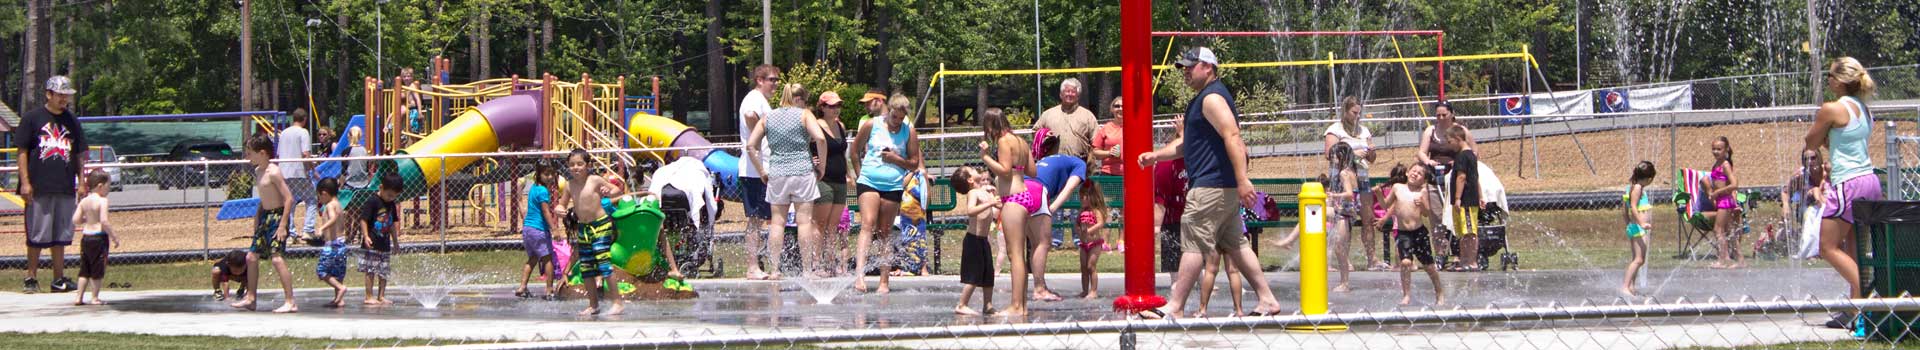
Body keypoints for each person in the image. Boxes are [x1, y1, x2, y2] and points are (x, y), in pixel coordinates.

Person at [1136, 47, 1284, 319]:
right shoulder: (1203, 100)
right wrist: (1156, 156)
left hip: (1210, 187)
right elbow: (1187, 145)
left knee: (1192, 242)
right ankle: (1267, 299)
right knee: (1237, 245)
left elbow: (1233, 136)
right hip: (1221, 188)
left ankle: (1175, 306)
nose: (1185, 72)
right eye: (1183, 68)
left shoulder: (1212, 98)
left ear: (1208, 67)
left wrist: (1243, 179)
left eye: (1190, 67)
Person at [1806, 57, 1880, 329]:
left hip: (1847, 183)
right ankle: (1854, 312)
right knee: (1853, 249)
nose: (1827, 81)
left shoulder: (1831, 108)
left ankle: (1871, 299)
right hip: (1869, 180)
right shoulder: (1863, 108)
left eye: (1829, 76)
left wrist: (1821, 138)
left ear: (1839, 81)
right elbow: (1842, 140)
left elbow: (1811, 142)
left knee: (1826, 247)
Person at [745, 83, 830, 279]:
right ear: (798, 98)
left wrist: (761, 171)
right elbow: (821, 138)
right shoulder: (804, 114)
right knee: (804, 222)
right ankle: (807, 270)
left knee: (777, 223)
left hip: (777, 173)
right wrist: (822, 166)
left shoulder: (768, 117)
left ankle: (775, 270)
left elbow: (751, 145)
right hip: (802, 172)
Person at [17, 75, 87, 294]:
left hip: (64, 185)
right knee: (37, 234)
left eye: (66, 95)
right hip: (39, 185)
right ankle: (31, 277)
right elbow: (22, 151)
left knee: (61, 234)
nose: (64, 99)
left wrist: (82, 182)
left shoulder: (71, 121)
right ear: (49, 94)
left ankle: (58, 279)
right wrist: (25, 182)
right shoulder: (32, 118)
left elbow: (79, 153)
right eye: (60, 95)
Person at [850, 93, 921, 293]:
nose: (897, 122)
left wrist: (896, 159)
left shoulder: (909, 131)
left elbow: (914, 162)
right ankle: (859, 277)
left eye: (901, 118)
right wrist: (859, 174)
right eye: (894, 117)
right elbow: (854, 151)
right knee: (867, 224)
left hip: (892, 185)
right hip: (869, 181)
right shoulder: (871, 125)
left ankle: (884, 281)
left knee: (885, 232)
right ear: (888, 111)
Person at [980, 107, 1041, 316]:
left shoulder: (1005, 142)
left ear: (990, 125)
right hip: (1025, 197)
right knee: (1020, 255)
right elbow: (1033, 171)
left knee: (1015, 255)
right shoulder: (1021, 141)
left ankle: (1015, 306)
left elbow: (1005, 171)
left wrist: (986, 157)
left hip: (1013, 199)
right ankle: (1022, 306)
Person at [232, 133, 298, 313]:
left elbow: (289, 199)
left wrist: (283, 225)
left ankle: (290, 301)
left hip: (277, 217)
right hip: (265, 217)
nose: (248, 157)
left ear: (262, 153)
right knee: (251, 257)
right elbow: (263, 200)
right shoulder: (258, 171)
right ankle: (251, 298)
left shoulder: (273, 171)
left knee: (276, 259)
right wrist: (257, 220)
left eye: (250, 153)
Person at [561, 149, 625, 315]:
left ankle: (617, 302)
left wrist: (608, 192)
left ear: (588, 165)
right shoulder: (569, 185)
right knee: (586, 267)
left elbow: (617, 191)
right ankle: (593, 304)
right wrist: (559, 209)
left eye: (580, 164)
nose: (576, 167)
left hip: (601, 225)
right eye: (572, 164)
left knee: (603, 263)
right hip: (584, 228)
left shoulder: (595, 180)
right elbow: (561, 204)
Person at [1037, 78, 1098, 249]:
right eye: (1066, 91)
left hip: (1078, 165)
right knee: (1054, 200)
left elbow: (1096, 140)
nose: (1069, 94)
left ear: (1078, 94)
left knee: (1078, 203)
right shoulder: (1049, 114)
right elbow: (1036, 133)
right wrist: (1044, 137)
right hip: (1053, 167)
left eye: (1073, 91)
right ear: (1061, 94)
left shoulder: (1087, 116)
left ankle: (1078, 236)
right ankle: (1055, 238)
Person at [1327, 96, 1384, 271]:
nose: (1357, 116)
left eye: (1359, 113)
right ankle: (1345, 261)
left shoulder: (1364, 131)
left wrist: (1370, 152)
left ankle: (1371, 258)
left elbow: (1372, 159)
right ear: (1345, 111)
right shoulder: (1335, 130)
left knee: (1368, 219)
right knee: (1345, 220)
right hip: (1343, 178)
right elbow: (1330, 155)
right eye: (1354, 112)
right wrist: (1352, 154)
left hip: (1362, 178)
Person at [1031, 134, 1088, 301]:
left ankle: (1033, 288)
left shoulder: (1046, 160)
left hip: (1020, 189)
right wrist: (1053, 207)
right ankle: (1040, 289)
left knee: (1033, 244)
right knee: (1043, 243)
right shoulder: (1079, 163)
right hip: (1036, 191)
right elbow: (1069, 188)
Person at [737, 65, 781, 280]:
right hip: (755, 170)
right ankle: (752, 267)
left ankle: (768, 265)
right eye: (772, 80)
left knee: (769, 218)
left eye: (777, 80)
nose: (776, 84)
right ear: (759, 80)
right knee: (755, 219)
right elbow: (749, 115)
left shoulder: (762, 100)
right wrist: (762, 133)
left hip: (764, 168)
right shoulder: (753, 98)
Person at [1380, 164, 1446, 306]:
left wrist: (1422, 204)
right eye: (1414, 171)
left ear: (1424, 180)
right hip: (1403, 233)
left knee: (1429, 267)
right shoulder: (1397, 187)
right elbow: (1385, 205)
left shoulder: (1422, 192)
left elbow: (1427, 213)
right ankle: (1406, 295)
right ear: (1408, 172)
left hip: (1419, 232)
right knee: (1405, 262)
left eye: (1420, 173)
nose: (1415, 174)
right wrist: (1379, 194)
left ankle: (1439, 292)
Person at [811, 91, 853, 276]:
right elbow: (806, 147)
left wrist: (849, 173)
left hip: (840, 180)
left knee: (833, 225)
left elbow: (843, 153)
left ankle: (830, 262)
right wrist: (813, 161)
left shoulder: (840, 126)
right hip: (823, 179)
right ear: (822, 107)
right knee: (820, 223)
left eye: (838, 105)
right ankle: (815, 263)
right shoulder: (815, 126)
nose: (836, 109)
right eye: (831, 106)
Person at [949, 167, 1000, 316]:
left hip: (983, 240)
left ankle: (988, 305)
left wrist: (995, 198)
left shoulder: (985, 192)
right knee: (974, 275)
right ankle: (962, 304)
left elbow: (997, 209)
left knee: (988, 274)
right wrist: (990, 203)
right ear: (970, 180)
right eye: (971, 170)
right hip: (973, 240)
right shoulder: (973, 193)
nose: (975, 168)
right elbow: (970, 211)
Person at [71, 171, 116, 306]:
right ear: (100, 186)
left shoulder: (84, 201)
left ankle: (79, 297)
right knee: (97, 269)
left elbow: (75, 220)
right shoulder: (103, 201)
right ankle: (95, 297)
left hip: (86, 237)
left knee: (85, 268)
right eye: (109, 185)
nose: (109, 189)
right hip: (99, 238)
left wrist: (88, 219)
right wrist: (114, 236)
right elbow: (104, 221)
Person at [515, 164, 560, 299]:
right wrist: (554, 228)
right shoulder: (542, 191)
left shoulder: (533, 188)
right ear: (538, 174)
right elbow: (545, 211)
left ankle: (522, 286)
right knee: (548, 259)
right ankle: (549, 289)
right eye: (546, 174)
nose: (550, 177)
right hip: (539, 229)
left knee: (533, 258)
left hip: (527, 229)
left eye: (552, 174)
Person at [359, 173, 403, 306]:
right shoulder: (372, 201)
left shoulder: (391, 204)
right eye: (389, 195)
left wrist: (395, 242)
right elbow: (363, 219)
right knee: (370, 270)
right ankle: (368, 296)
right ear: (381, 187)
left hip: (384, 243)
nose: (391, 198)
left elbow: (391, 225)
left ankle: (381, 296)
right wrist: (366, 236)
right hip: (371, 242)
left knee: (384, 271)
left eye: (394, 196)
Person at [1447, 126, 1485, 271]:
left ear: (1457, 139)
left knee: (1469, 232)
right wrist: (1481, 196)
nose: (1449, 145)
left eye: (1450, 141)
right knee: (1463, 232)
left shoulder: (1463, 156)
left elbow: (1462, 177)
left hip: (1466, 201)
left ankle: (1471, 261)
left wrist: (1458, 198)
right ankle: (1464, 260)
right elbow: (1476, 178)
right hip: (1466, 201)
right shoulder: (1471, 155)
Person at [279, 109, 318, 242]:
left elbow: (279, 154)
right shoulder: (303, 132)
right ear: (305, 119)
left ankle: (291, 233)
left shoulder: (284, 133)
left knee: (290, 202)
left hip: (284, 172)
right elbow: (305, 153)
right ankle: (308, 230)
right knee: (312, 199)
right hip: (299, 171)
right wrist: (312, 170)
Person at [1327, 143, 1362, 292]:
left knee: (1340, 248)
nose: (1331, 159)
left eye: (1333, 156)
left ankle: (1344, 283)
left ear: (1341, 156)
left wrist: (1334, 195)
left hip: (1344, 213)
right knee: (1341, 247)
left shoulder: (1343, 173)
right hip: (1348, 212)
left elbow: (1349, 194)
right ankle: (1344, 282)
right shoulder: (1352, 171)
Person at [1706, 136, 1744, 269]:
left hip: (1725, 201)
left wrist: (1717, 193)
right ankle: (1740, 260)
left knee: (1718, 229)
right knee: (1730, 230)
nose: (1716, 152)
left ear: (1726, 149)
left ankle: (1722, 260)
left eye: (1719, 149)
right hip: (1722, 200)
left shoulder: (1725, 165)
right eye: (1713, 149)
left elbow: (1734, 184)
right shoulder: (1716, 165)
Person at [313, 178, 351, 308]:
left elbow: (333, 218)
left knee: (321, 271)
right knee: (337, 273)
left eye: (319, 196)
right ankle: (339, 299)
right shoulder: (339, 204)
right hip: (341, 244)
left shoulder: (329, 205)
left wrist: (321, 228)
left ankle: (340, 288)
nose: (319, 200)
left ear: (324, 193)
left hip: (332, 245)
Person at [1621, 161, 1656, 296]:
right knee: (1639, 260)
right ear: (1649, 179)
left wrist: (1628, 222)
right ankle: (1625, 286)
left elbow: (1624, 208)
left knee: (1637, 258)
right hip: (1638, 228)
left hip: (1635, 226)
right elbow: (1633, 207)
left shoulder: (1632, 187)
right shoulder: (1637, 188)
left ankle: (1631, 286)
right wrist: (1641, 223)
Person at [1075, 184, 1112, 300]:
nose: (1081, 200)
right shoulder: (1081, 211)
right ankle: (1085, 290)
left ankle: (1093, 291)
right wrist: (1079, 231)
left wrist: (1089, 230)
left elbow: (1100, 223)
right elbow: (1076, 223)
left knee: (1091, 266)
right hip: (1084, 244)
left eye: (1083, 197)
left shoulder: (1096, 211)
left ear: (1091, 197)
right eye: (1080, 197)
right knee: (1083, 268)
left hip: (1094, 243)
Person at [1090, 96, 1126, 176]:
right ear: (1112, 109)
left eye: (1124, 106)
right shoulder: (1105, 128)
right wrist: (1109, 153)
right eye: (1117, 106)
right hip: (1109, 174)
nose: (1120, 108)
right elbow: (1095, 152)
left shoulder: (1135, 128)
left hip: (1131, 173)